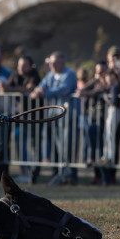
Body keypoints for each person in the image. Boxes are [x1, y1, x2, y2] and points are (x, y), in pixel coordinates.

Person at [30, 51, 78, 184]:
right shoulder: (50, 75)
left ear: (62, 63)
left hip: (67, 116)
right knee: (55, 146)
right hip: (52, 116)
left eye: (54, 62)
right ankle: (57, 174)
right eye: (50, 62)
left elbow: (64, 90)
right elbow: (41, 86)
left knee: (67, 146)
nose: (51, 65)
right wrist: (37, 91)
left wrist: (44, 93)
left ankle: (70, 176)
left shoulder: (69, 74)